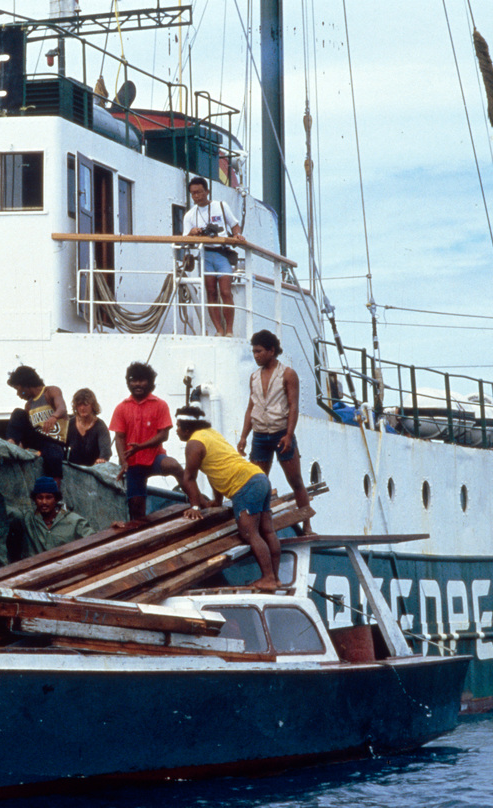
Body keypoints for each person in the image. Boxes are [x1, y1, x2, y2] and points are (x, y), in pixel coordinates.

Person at [175, 406, 282, 592]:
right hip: (259, 478)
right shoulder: (210, 434)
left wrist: (195, 506)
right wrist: (217, 501)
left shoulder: (193, 443)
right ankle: (276, 577)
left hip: (244, 486)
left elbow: (188, 478)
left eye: (178, 426)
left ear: (186, 429)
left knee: (251, 534)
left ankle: (269, 578)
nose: (176, 430)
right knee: (268, 531)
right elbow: (213, 470)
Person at [237, 330, 313, 534]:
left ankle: (307, 525)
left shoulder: (288, 374)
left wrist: (289, 435)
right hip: (260, 436)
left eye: (259, 351)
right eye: (253, 351)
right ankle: (258, 526)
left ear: (271, 350)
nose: (256, 355)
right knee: (258, 483)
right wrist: (244, 436)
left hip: (281, 434)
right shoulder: (253, 377)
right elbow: (250, 408)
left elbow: (293, 406)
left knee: (296, 481)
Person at [108, 362, 183, 523]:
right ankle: (141, 534)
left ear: (150, 382)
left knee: (174, 466)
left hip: (155, 458)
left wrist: (140, 447)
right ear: (128, 382)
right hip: (134, 464)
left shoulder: (160, 404)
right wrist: (123, 462)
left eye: (142, 380)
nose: (137, 384)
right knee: (136, 508)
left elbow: (164, 435)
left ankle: (198, 503)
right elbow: (119, 438)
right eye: (133, 380)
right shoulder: (121, 408)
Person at [183, 176, 243, 337]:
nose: (196, 196)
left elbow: (235, 226)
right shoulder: (189, 215)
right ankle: (219, 330)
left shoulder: (221, 206)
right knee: (211, 292)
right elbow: (184, 240)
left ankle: (229, 330)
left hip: (222, 254)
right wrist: (191, 233)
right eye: (193, 193)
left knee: (225, 292)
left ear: (207, 191)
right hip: (205, 256)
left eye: (199, 192)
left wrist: (237, 235)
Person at [6, 476, 94, 559]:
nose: (44, 502)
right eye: (40, 498)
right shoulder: (27, 520)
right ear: (34, 500)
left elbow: (96, 543)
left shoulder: (75, 522)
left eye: (49, 497)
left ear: (56, 499)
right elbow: (3, 510)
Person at [5, 365, 68, 480]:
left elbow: (62, 408)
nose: (18, 394)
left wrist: (53, 417)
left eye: (18, 390)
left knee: (53, 455)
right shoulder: (28, 405)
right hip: (38, 439)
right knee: (18, 413)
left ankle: (55, 490)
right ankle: (11, 443)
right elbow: (24, 428)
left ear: (26, 385)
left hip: (54, 440)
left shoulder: (50, 392)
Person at [66, 388, 111, 466]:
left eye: (85, 404)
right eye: (79, 405)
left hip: (93, 470)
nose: (82, 408)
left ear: (92, 405)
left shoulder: (100, 426)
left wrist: (102, 459)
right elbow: (60, 444)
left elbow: (106, 451)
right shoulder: (70, 423)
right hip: (71, 468)